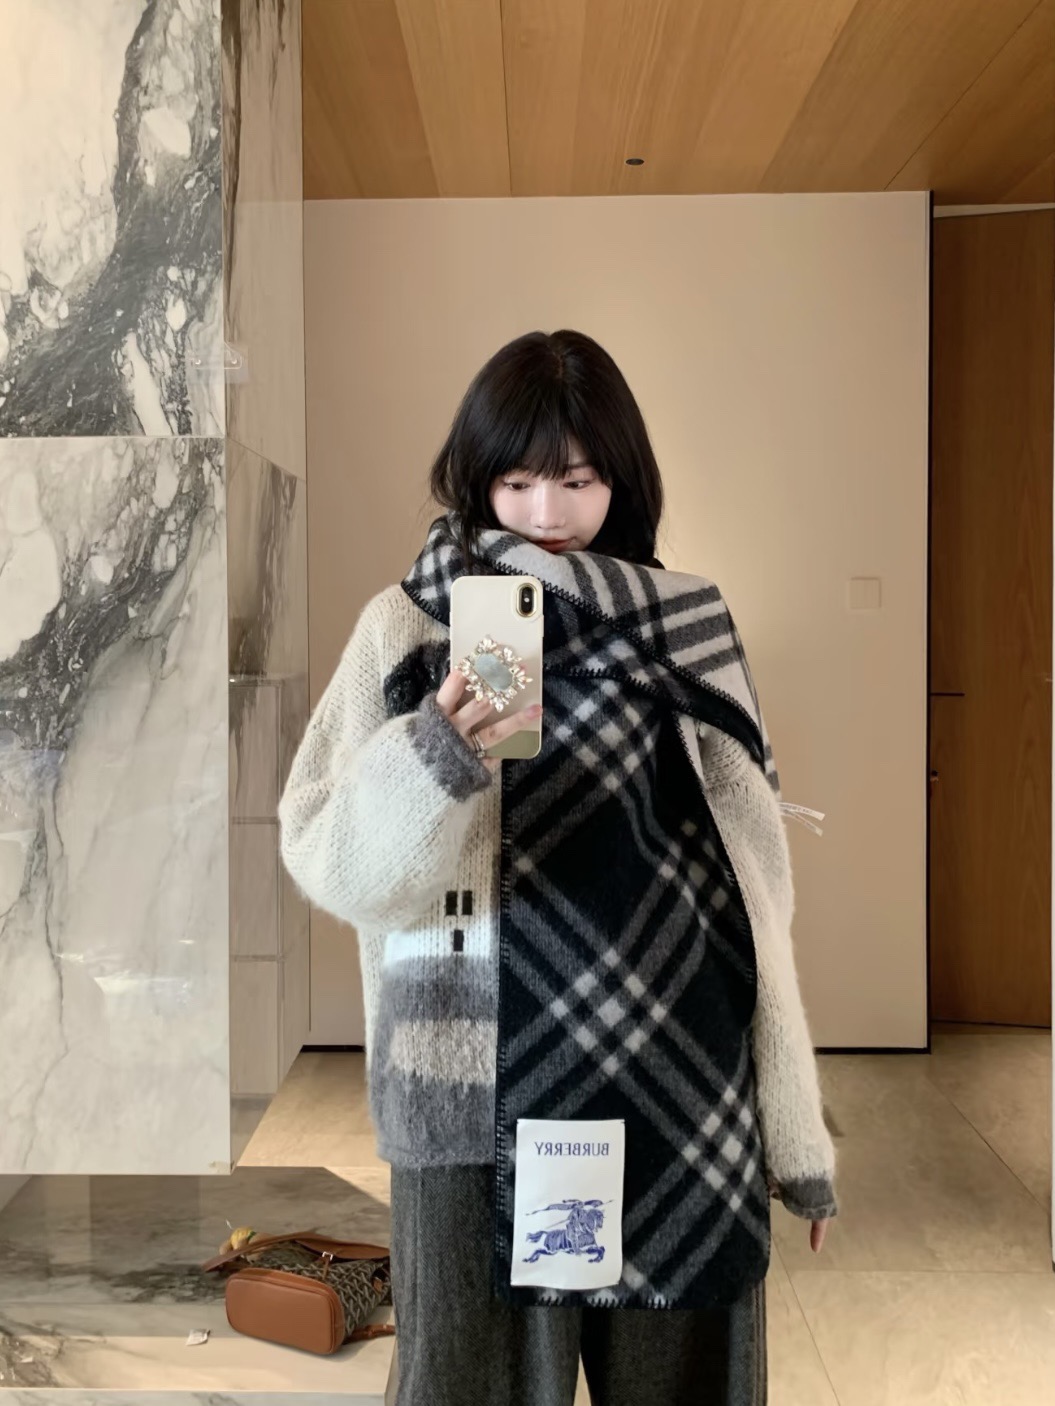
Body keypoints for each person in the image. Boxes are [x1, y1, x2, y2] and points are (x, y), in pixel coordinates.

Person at [278, 330, 838, 1406]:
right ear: (476, 474)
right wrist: (436, 754)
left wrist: (792, 1121)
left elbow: (754, 894)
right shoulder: (407, 626)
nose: (545, 510)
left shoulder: (688, 625)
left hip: (676, 1078)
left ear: (620, 480)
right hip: (467, 1093)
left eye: (577, 480)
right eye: (518, 479)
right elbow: (330, 860)